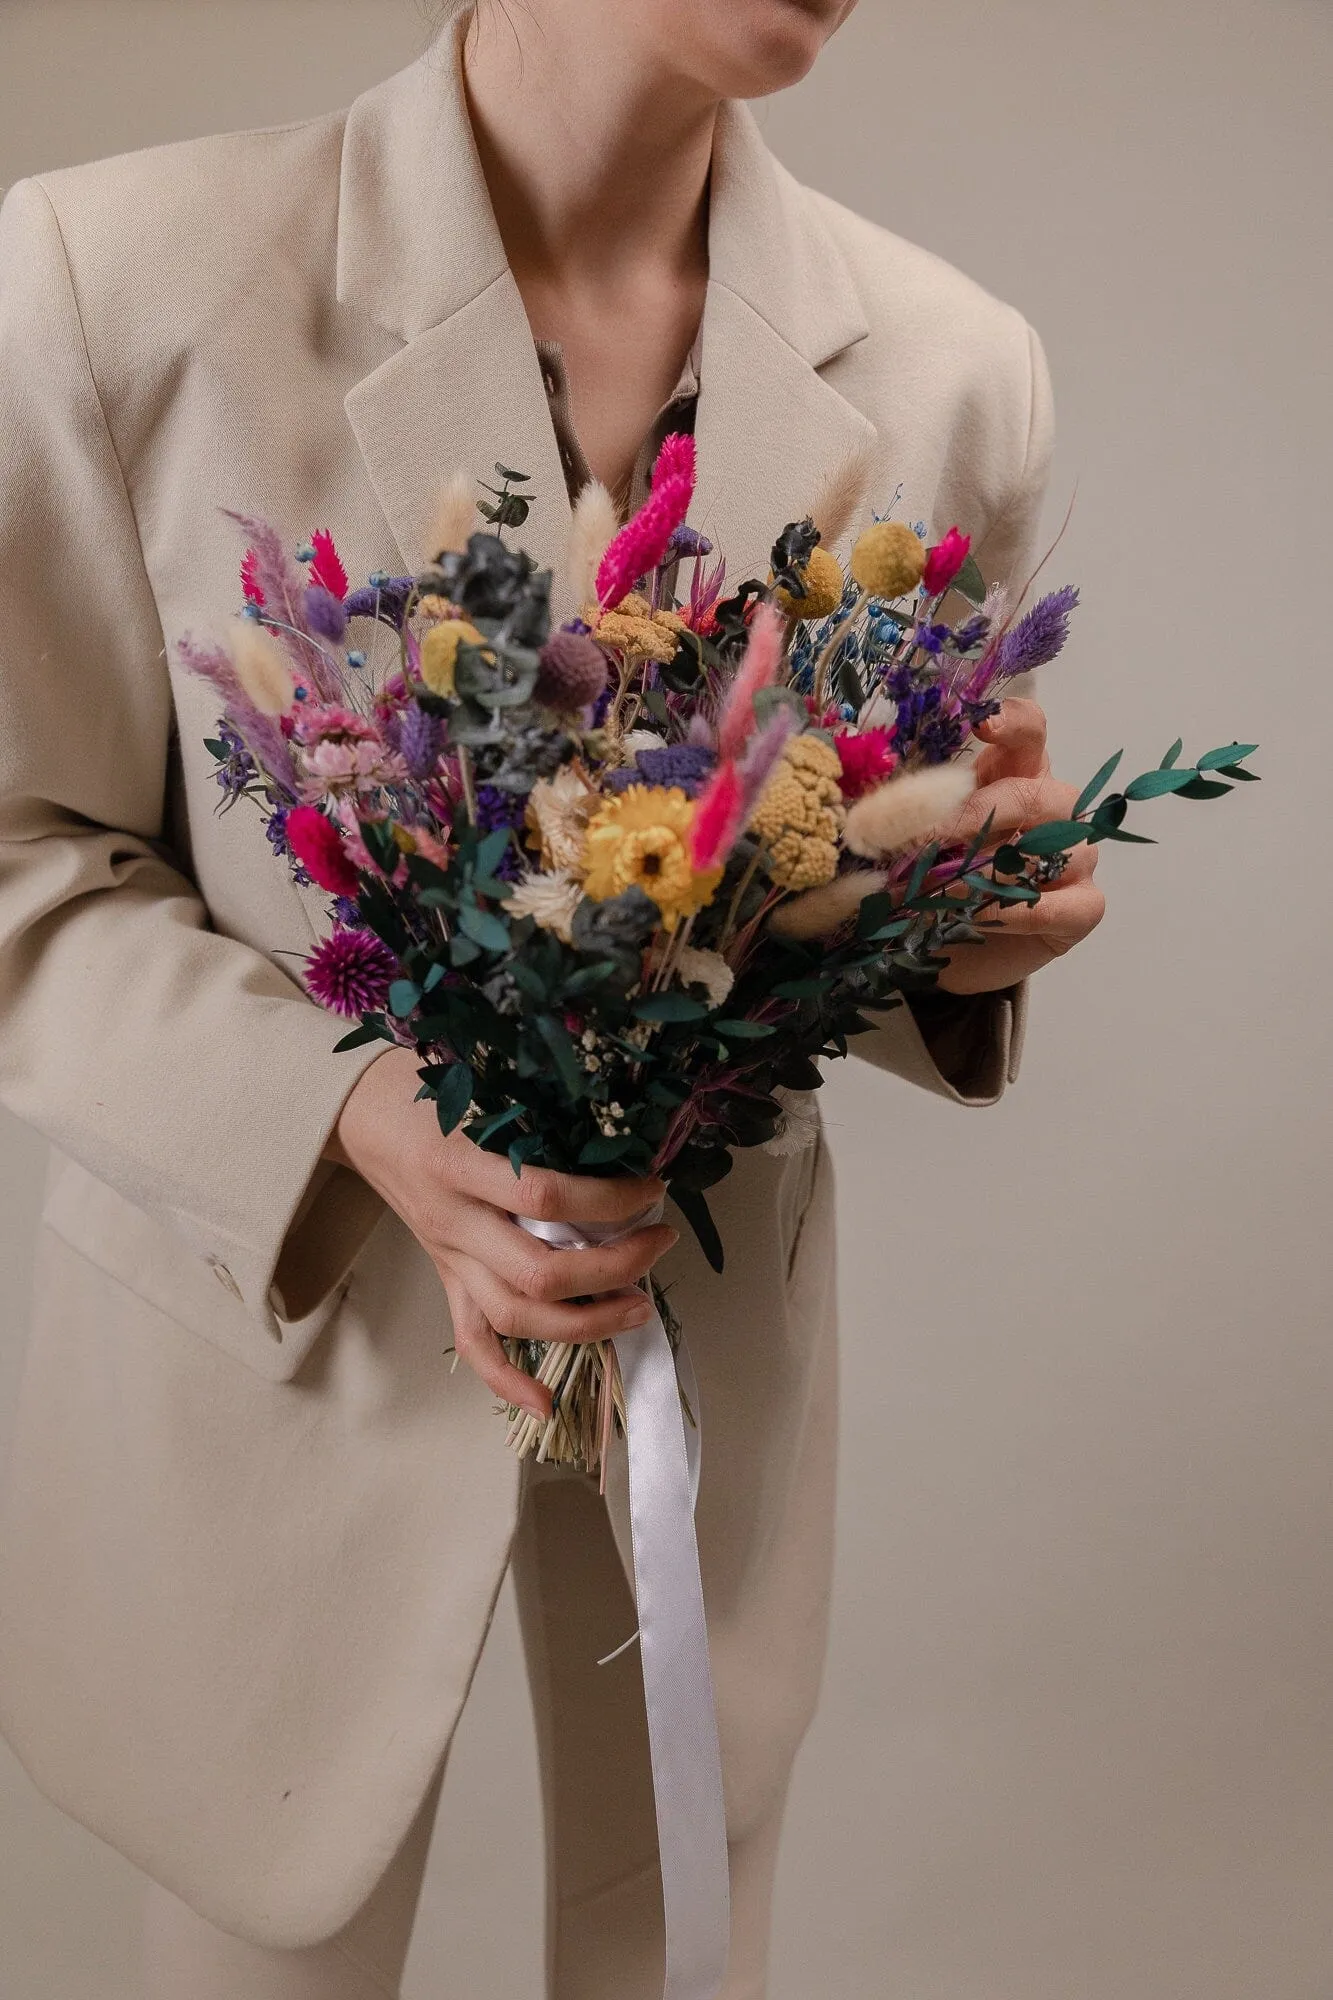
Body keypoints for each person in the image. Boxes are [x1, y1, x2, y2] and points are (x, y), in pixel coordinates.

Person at [0, 0, 1104, 1993]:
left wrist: (952, 913)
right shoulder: (112, 285)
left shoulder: (956, 370)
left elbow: (804, 905)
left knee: (681, 1946)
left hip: (705, 1394)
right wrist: (343, 1117)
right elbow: (17, 852)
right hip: (276, 1381)